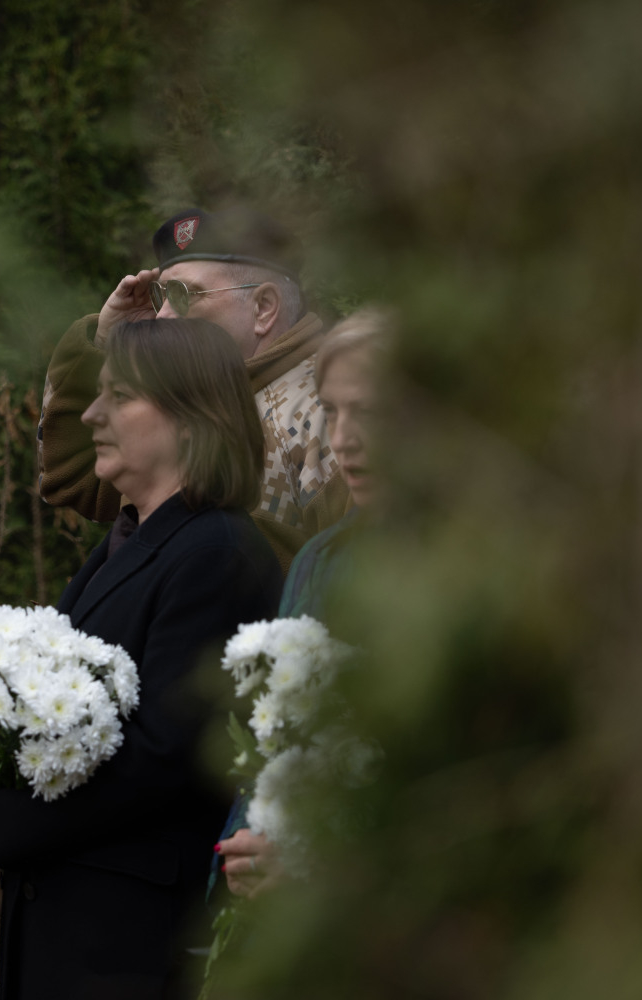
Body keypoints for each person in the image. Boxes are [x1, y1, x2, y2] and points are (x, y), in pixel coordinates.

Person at [0, 318, 285, 999]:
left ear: (191, 417)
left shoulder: (215, 550)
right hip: (78, 922)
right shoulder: (129, 541)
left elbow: (164, 755)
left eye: (118, 396)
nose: (92, 415)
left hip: (133, 940)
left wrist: (7, 822)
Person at [38, 207, 352, 571]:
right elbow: (71, 479)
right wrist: (106, 345)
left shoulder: (334, 406)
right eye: (162, 296)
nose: (163, 315)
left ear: (263, 308)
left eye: (186, 295)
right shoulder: (188, 397)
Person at [216, 308, 389, 897]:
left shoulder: (483, 565)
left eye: (371, 412)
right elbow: (277, 737)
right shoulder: (320, 559)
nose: (343, 439)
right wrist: (241, 858)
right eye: (333, 411)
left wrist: (323, 868)